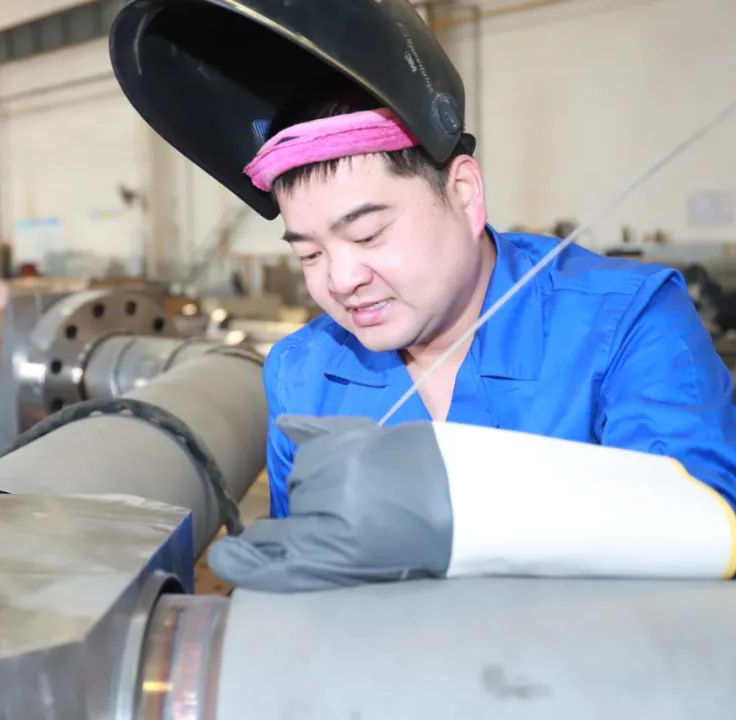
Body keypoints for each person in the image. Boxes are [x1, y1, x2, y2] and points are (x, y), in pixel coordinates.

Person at [110, 0, 736, 589]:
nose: (340, 280)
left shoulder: (627, 322)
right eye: (309, 254)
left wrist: (459, 508)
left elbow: (707, 526)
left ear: (463, 194)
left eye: (369, 234)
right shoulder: (302, 371)